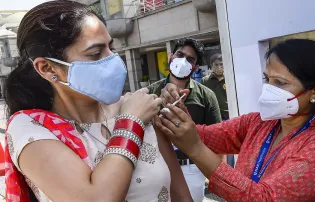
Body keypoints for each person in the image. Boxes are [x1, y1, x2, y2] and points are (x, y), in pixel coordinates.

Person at [3, 1, 192, 201]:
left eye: (111, 48)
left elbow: (181, 196)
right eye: (95, 54)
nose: (113, 61)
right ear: (48, 68)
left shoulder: (136, 107)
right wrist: (131, 124)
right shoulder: (31, 128)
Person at [156, 39, 315, 201]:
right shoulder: (260, 123)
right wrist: (176, 104)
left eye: (281, 83)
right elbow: (203, 135)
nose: (268, 89)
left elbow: (264, 199)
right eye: (267, 79)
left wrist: (195, 149)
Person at [148, 37, 222, 202]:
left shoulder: (206, 96)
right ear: (170, 57)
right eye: (180, 55)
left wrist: (215, 175)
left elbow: (218, 139)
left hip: (191, 168)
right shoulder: (151, 92)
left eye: (190, 59)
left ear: (195, 67)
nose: (183, 61)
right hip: (157, 167)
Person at [200, 53, 234, 168]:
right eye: (216, 65)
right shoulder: (205, 81)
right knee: (218, 143)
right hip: (215, 116)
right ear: (211, 66)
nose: (219, 67)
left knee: (231, 143)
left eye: (221, 64)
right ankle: (220, 167)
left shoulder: (230, 78)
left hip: (229, 115)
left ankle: (231, 167)